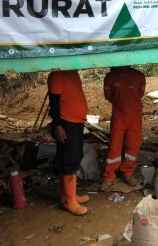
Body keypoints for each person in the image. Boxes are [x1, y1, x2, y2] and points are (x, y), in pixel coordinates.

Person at [48, 69, 90, 216]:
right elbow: (53, 102)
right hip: (66, 124)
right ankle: (68, 201)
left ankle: (69, 195)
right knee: (68, 159)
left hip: (76, 122)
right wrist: (58, 125)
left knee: (75, 156)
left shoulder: (72, 72)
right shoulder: (57, 75)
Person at [99, 66, 147, 191]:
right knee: (114, 146)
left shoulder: (139, 76)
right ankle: (109, 177)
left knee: (133, 145)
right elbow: (108, 96)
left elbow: (139, 94)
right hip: (118, 116)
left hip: (135, 117)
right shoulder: (111, 77)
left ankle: (128, 173)